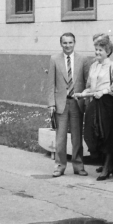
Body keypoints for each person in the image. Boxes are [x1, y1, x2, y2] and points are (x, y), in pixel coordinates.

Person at [78, 35, 113, 181]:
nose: (97, 53)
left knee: (107, 134)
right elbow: (89, 85)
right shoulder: (93, 65)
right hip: (94, 102)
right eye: (96, 50)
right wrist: (85, 93)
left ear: (108, 51)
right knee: (92, 132)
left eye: (101, 50)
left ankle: (107, 167)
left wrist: (103, 92)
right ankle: (104, 162)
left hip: (107, 102)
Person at [47, 33, 91, 177]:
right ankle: (59, 165)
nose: (67, 46)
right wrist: (51, 104)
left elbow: (87, 83)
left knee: (77, 137)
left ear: (75, 43)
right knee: (60, 137)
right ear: (61, 44)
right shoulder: (54, 59)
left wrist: (86, 101)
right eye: (65, 43)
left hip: (77, 102)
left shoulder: (82, 59)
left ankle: (78, 166)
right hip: (61, 102)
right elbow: (50, 83)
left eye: (70, 43)